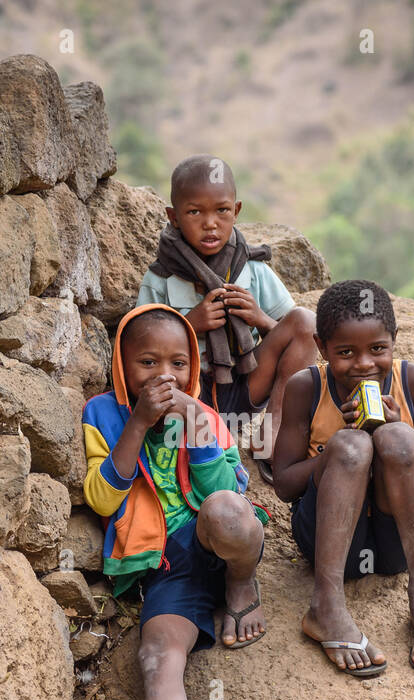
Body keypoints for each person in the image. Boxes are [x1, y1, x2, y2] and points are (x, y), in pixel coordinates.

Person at [80, 303, 269, 700]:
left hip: (216, 539)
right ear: (122, 366)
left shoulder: (203, 414)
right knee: (157, 652)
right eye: (148, 363)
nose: (165, 375)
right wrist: (137, 424)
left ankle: (239, 585)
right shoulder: (101, 413)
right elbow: (102, 499)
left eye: (178, 363)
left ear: (194, 366)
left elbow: (229, 496)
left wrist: (199, 431)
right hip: (164, 562)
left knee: (226, 510)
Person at [271, 279, 414, 676]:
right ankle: (327, 605)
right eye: (345, 353)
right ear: (322, 348)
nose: (363, 364)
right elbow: (284, 484)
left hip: (397, 548)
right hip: (330, 541)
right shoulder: (306, 387)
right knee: (351, 447)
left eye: (377, 349)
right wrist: (336, 451)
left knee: (399, 437)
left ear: (393, 341)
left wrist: (395, 432)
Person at [135, 154, 317, 483]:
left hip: (245, 384)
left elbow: (298, 337)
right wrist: (190, 324)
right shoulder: (161, 278)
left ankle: (274, 437)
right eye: (195, 212)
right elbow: (138, 351)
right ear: (174, 217)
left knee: (305, 321)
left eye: (221, 210)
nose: (210, 223)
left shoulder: (253, 269)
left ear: (236, 211)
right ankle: (200, 450)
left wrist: (260, 319)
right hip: (189, 397)